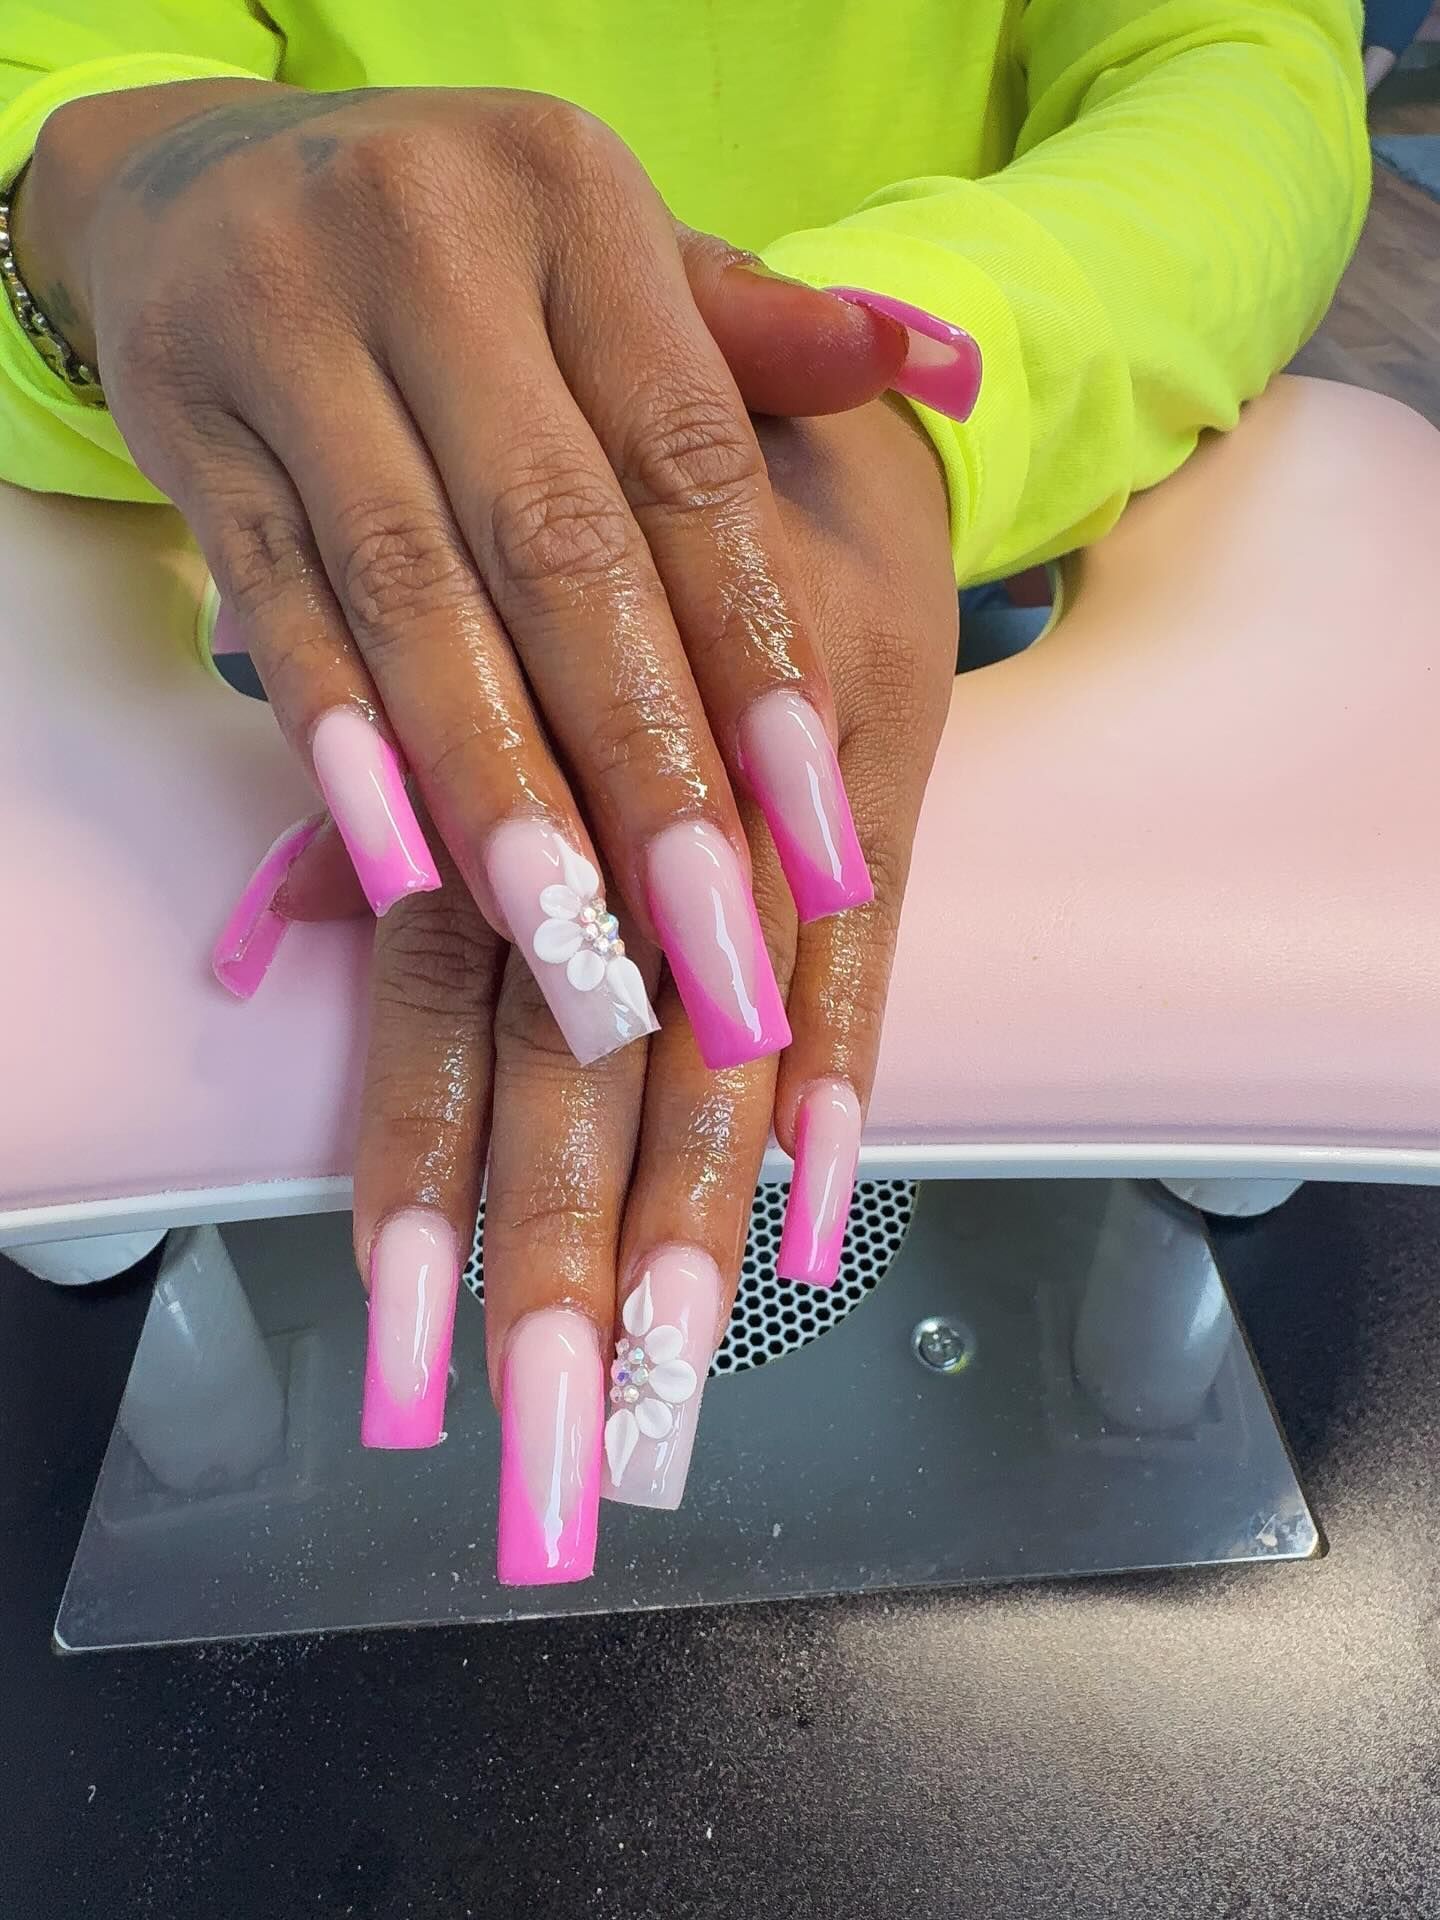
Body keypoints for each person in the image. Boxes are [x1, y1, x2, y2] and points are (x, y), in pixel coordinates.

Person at [0, 2, 1368, 1584]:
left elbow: (1234, 78)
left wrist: (887, 401)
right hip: (335, 579)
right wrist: (114, 196)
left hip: (943, 550)